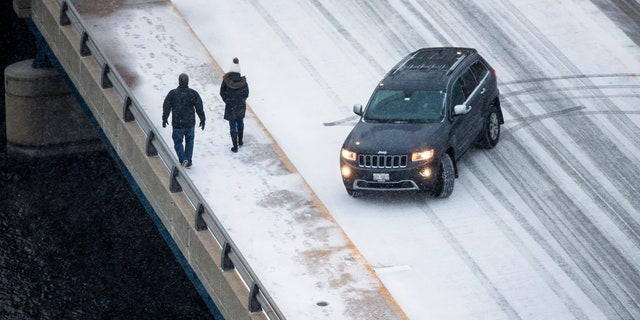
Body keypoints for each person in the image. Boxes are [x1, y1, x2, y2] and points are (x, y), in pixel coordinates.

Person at [162, 73, 205, 168]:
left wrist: (165, 118)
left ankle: (183, 159)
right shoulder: (193, 93)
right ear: (188, 82)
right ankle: (188, 161)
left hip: (178, 123)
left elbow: (166, 107)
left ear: (179, 81)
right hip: (190, 123)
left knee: (178, 142)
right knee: (190, 141)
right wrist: (202, 119)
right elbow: (199, 107)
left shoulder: (173, 93)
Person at [220, 57, 249, 153]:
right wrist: (241, 100)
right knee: (240, 122)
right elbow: (246, 94)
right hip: (240, 106)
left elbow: (222, 92)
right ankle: (240, 141)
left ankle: (235, 146)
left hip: (231, 106)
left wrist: (227, 100)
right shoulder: (243, 82)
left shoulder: (226, 81)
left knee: (232, 125)